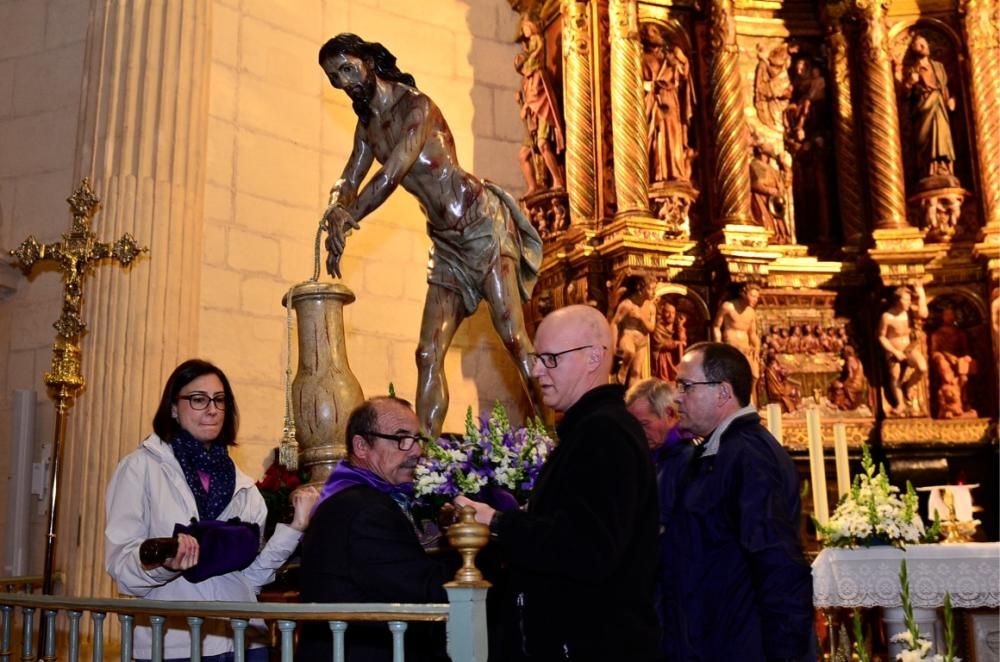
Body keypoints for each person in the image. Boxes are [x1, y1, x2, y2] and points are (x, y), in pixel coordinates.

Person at [318, 33, 544, 439]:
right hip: (446, 243)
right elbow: (351, 176)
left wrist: (349, 218)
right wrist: (336, 207)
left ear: (368, 60)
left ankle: (555, 439)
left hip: (480, 224)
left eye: (348, 68)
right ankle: (426, 460)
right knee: (427, 353)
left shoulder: (416, 106)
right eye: (335, 77)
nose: (345, 81)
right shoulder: (368, 127)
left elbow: (390, 175)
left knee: (513, 337)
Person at [456, 305, 661, 661]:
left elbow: (589, 549)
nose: (536, 371)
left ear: (594, 357)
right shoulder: (588, 430)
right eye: (537, 358)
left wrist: (498, 522)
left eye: (550, 359)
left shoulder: (604, 432)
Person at [105, 359, 319, 662]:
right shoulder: (140, 470)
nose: (212, 409)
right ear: (173, 409)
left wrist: (295, 527)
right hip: (173, 644)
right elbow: (123, 571)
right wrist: (168, 563)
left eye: (220, 400)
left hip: (243, 641)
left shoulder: (243, 487)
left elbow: (251, 578)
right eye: (198, 399)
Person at [663, 342, 813, 661]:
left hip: (740, 645)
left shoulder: (748, 456)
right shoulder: (720, 450)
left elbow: (778, 564)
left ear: (723, 392)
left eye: (686, 386)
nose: (676, 396)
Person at [296, 396, 450, 661]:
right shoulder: (367, 511)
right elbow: (425, 591)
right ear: (361, 446)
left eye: (417, 439)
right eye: (401, 438)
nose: (415, 451)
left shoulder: (352, 500)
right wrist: (482, 549)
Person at [515, 17, 565, 193]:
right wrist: (521, 101)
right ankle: (533, 186)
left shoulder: (538, 75)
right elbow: (529, 97)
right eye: (521, 68)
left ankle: (558, 180)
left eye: (524, 65)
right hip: (533, 121)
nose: (523, 69)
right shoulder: (525, 82)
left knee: (544, 144)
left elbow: (538, 95)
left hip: (543, 114)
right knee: (523, 155)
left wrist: (526, 105)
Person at [641, 23, 695, 183]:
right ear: (645, 37)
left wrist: (684, 60)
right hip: (652, 101)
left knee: (673, 135)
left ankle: (675, 171)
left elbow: (684, 76)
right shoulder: (641, 58)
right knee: (656, 138)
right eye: (653, 31)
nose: (658, 34)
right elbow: (632, 82)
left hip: (670, 100)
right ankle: (656, 174)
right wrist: (648, 86)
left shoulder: (669, 58)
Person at [903, 34, 956, 180]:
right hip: (924, 107)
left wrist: (951, 100)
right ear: (913, 49)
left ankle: (944, 168)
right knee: (926, 138)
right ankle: (928, 169)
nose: (924, 47)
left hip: (940, 106)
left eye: (925, 44)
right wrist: (910, 83)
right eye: (920, 45)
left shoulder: (939, 67)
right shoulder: (913, 71)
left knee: (943, 137)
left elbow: (945, 87)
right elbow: (905, 96)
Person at [878, 284, 928, 416]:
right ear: (897, 300)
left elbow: (924, 314)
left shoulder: (909, 312)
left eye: (909, 299)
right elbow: (881, 337)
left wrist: (921, 293)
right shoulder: (887, 316)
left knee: (922, 367)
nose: (908, 302)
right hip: (893, 350)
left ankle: (909, 385)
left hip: (908, 348)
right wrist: (894, 352)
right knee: (895, 376)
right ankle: (900, 403)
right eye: (905, 300)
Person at [609, 275, 658, 387]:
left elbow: (651, 328)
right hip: (628, 337)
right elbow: (615, 323)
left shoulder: (651, 307)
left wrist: (641, 317)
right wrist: (613, 345)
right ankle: (620, 377)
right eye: (651, 289)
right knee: (629, 352)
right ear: (639, 288)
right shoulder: (627, 305)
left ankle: (631, 397)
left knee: (636, 372)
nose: (654, 292)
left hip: (642, 343)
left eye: (655, 289)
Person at [712, 283, 762, 384]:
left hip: (746, 348)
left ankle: (748, 398)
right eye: (752, 296)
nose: (755, 299)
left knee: (754, 375)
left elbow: (752, 334)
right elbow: (716, 326)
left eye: (757, 297)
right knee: (732, 377)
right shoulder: (728, 306)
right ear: (743, 294)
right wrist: (718, 343)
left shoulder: (751, 312)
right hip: (731, 346)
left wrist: (757, 347)